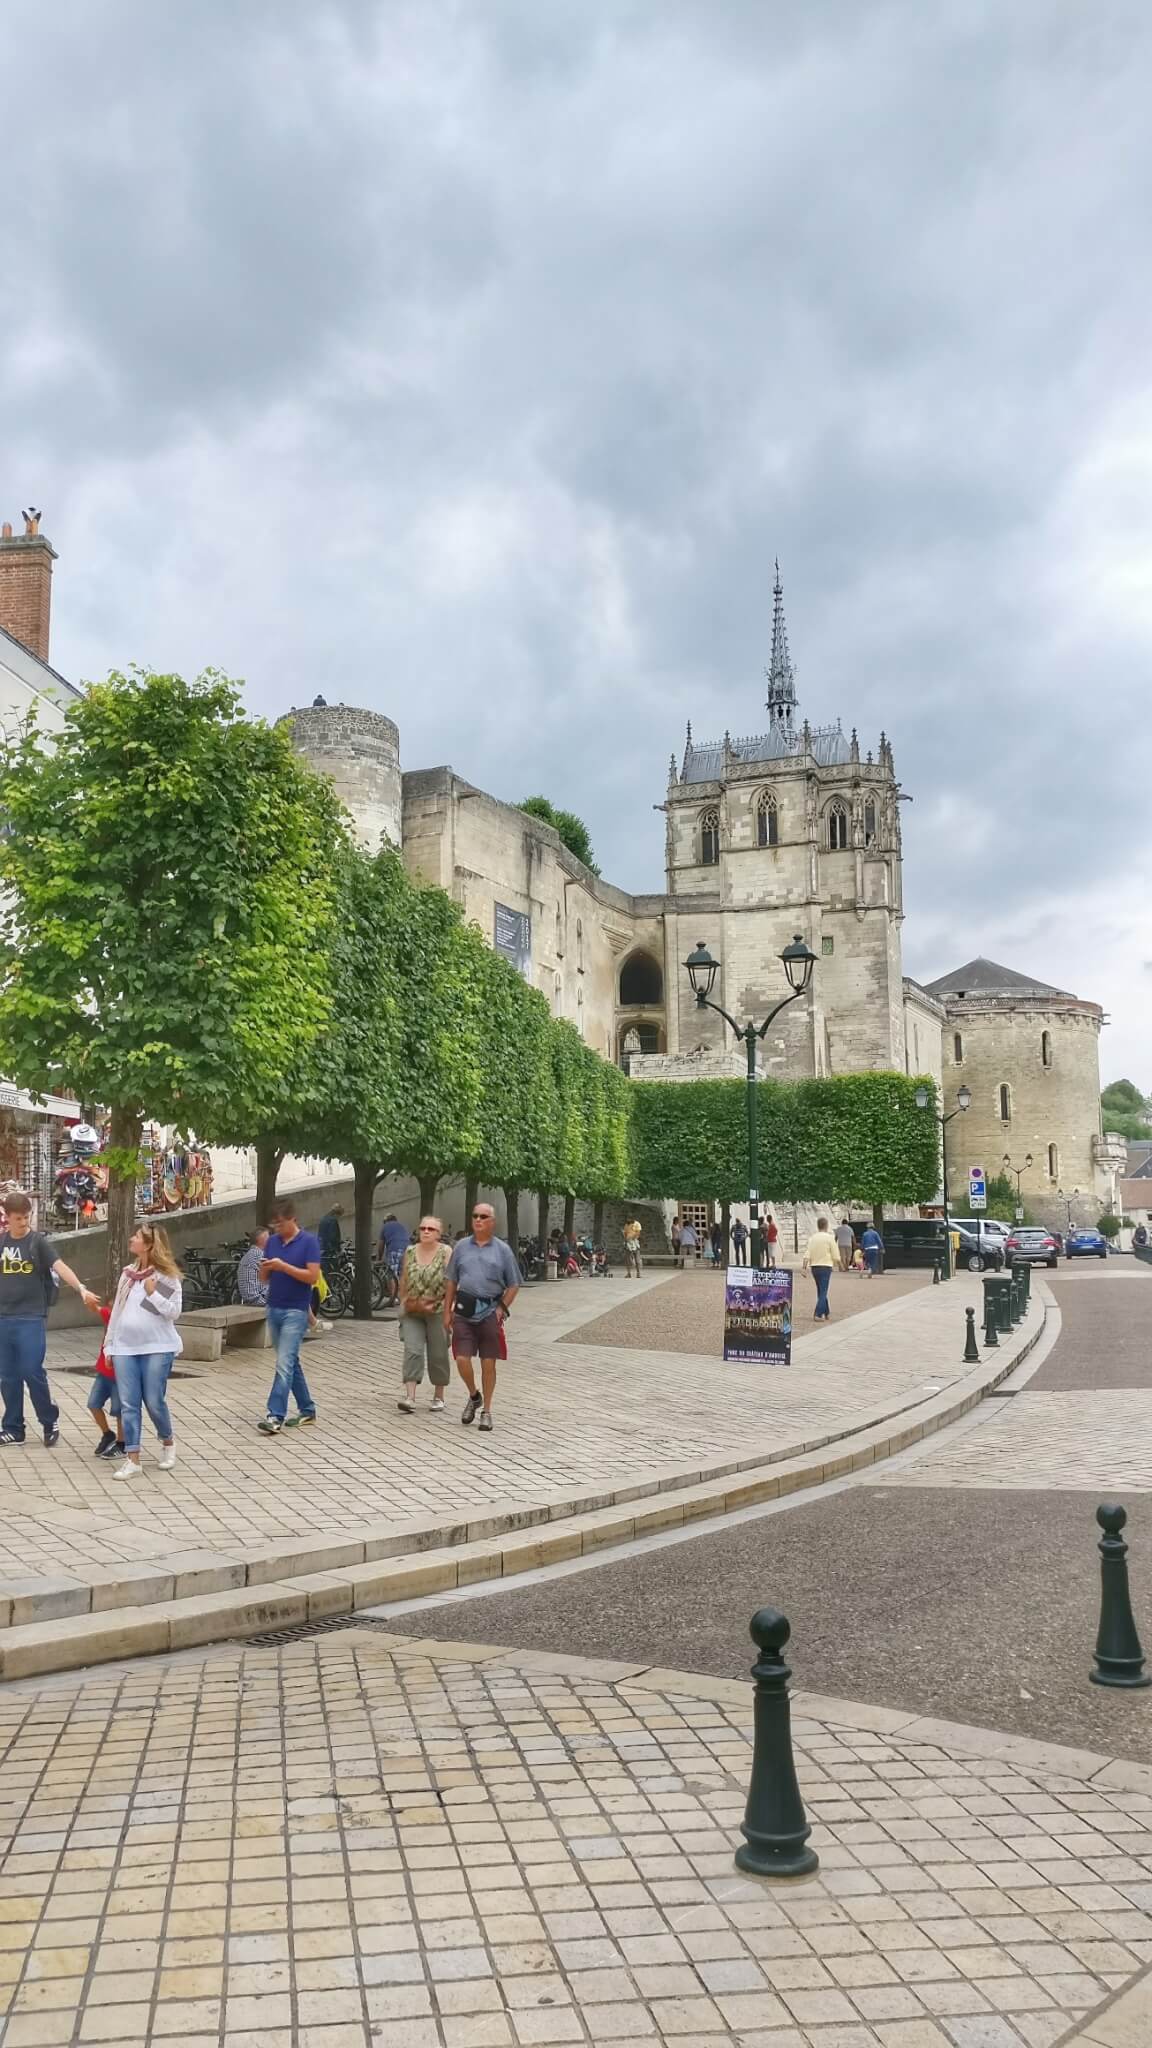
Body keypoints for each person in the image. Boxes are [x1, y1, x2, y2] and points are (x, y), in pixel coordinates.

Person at [0, 1189, 101, 1447]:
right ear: (7, 1218)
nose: (24, 1222)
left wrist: (81, 1289)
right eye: (18, 1218)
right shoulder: (2, 1243)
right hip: (4, 1318)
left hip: (31, 1317)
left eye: (27, 1217)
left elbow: (60, 1266)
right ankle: (13, 1428)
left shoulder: (37, 1243)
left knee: (31, 1371)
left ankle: (49, 1420)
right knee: (7, 1376)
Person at [105, 1222, 183, 1479]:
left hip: (158, 1347)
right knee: (129, 1403)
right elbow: (117, 1311)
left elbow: (173, 1312)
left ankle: (168, 1441)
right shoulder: (128, 1275)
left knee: (153, 1400)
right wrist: (109, 1345)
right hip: (125, 1347)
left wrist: (153, 1293)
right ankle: (133, 1458)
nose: (131, 1239)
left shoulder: (165, 1276)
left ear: (149, 1244)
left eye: (137, 1236)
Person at [444, 1202, 520, 1433]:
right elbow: (451, 1280)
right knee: (462, 1359)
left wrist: (501, 1309)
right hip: (464, 1312)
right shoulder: (461, 1247)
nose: (478, 1220)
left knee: (488, 1363)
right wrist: (447, 1311)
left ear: (492, 1222)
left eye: (483, 1216)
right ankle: (474, 1395)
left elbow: (514, 1284)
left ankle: (486, 1411)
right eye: (475, 1216)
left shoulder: (503, 1250)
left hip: (489, 1313)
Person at [258, 1200, 321, 1435]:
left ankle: (275, 1415)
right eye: (274, 1225)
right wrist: (266, 1267)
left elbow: (312, 1277)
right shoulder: (273, 1242)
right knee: (290, 1361)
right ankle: (307, 1409)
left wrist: (284, 1267)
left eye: (281, 1224)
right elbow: (263, 1278)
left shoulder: (309, 1242)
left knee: (284, 1363)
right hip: (274, 1307)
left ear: (293, 1219)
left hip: (296, 1310)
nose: (277, 1229)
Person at [397, 1216, 452, 1414]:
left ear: (439, 1233)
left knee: (438, 1353)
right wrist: (403, 1301)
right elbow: (404, 1278)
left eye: (431, 1229)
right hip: (413, 1309)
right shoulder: (410, 1251)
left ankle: (439, 1396)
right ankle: (410, 1397)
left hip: (437, 1309)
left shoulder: (445, 1252)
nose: (426, 1231)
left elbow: (452, 1282)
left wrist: (449, 1308)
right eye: (422, 1228)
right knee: (412, 1350)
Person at [87, 1305, 124, 1459]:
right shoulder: (111, 1315)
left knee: (119, 1410)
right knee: (93, 1404)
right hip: (104, 1372)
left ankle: (122, 1443)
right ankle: (107, 1434)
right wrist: (85, 1294)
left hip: (121, 1375)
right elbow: (96, 1308)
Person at [803, 1215, 839, 1322]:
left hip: (814, 1267)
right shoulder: (830, 1238)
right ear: (826, 1226)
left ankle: (826, 1311)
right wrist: (837, 1263)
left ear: (818, 1226)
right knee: (823, 1291)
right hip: (826, 1266)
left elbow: (807, 1253)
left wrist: (804, 1267)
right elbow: (835, 1255)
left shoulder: (812, 1238)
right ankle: (818, 1313)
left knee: (821, 1290)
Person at [379, 1213, 412, 1304]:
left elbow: (381, 1245)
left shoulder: (385, 1227)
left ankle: (392, 1299)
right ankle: (401, 1298)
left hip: (394, 1250)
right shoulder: (402, 1226)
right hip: (407, 1250)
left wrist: (379, 1257)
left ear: (386, 1221)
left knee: (391, 1274)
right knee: (402, 1275)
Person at [237, 1227, 270, 1306]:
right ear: (262, 1240)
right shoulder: (259, 1255)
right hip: (259, 1300)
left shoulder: (248, 1255)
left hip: (250, 1299)